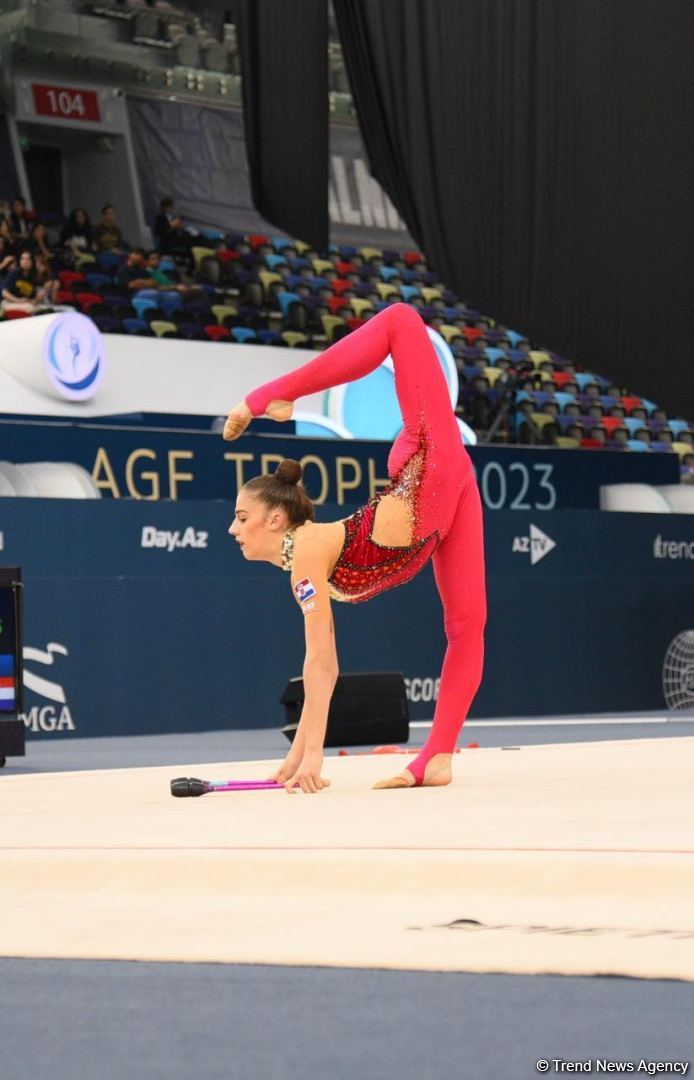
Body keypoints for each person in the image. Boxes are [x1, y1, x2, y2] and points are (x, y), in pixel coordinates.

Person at [224, 303, 486, 795]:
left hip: (431, 464)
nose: (233, 529)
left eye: (241, 517)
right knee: (467, 628)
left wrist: (314, 757)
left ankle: (272, 394)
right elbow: (319, 665)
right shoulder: (302, 561)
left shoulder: (303, 551)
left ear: (275, 519)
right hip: (446, 495)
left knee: (400, 320)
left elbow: (322, 664)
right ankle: (437, 757)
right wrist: (296, 757)